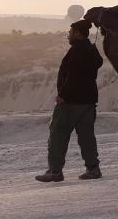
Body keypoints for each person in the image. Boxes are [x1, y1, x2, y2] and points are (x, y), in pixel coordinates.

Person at [36, 19, 103, 182]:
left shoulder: (76, 51)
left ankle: (55, 171)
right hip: (88, 101)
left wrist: (63, 95)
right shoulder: (91, 50)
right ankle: (93, 169)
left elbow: (73, 76)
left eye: (70, 33)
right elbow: (98, 63)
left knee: (58, 135)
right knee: (87, 137)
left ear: (78, 34)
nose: (68, 36)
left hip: (71, 102)